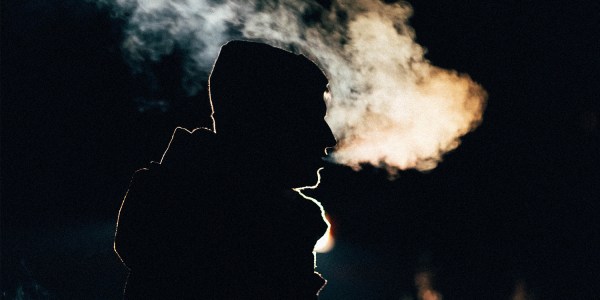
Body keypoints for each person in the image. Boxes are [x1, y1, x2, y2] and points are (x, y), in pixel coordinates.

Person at [114, 40, 336, 299]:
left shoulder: (178, 217)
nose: (328, 139)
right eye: (310, 119)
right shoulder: (255, 232)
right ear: (262, 123)